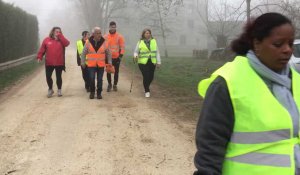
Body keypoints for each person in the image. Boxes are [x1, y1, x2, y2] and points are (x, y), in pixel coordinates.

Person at [193, 12, 300, 175]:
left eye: (290, 44)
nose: (287, 50)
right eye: (278, 44)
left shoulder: (296, 81)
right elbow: (210, 147)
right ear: (257, 44)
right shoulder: (227, 82)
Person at [37, 26, 70, 98]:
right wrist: (39, 57)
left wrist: (61, 36)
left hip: (59, 62)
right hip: (49, 62)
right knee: (48, 77)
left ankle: (59, 90)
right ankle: (50, 89)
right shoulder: (46, 40)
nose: (58, 33)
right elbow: (42, 49)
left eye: (59, 32)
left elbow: (67, 43)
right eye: (56, 31)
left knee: (59, 77)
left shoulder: (62, 40)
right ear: (53, 32)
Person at [81, 27, 112, 99]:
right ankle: (92, 92)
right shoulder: (88, 42)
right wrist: (82, 62)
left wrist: (110, 62)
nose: (99, 35)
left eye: (100, 33)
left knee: (99, 79)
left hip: (101, 64)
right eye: (97, 33)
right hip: (91, 65)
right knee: (91, 78)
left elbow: (109, 53)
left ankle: (99, 93)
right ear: (93, 34)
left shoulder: (104, 42)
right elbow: (83, 53)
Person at [133, 28, 161, 98]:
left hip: (152, 62)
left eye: (149, 33)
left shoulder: (154, 41)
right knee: (146, 76)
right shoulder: (140, 42)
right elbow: (136, 51)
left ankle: (146, 86)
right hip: (142, 62)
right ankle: (147, 91)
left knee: (151, 77)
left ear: (150, 34)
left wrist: (159, 61)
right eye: (146, 33)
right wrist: (135, 56)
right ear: (143, 34)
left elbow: (157, 52)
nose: (148, 34)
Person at [104, 21, 125, 92]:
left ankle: (115, 85)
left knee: (116, 72)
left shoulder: (119, 36)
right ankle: (109, 84)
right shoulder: (105, 36)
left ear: (115, 27)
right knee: (108, 71)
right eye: (111, 27)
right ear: (109, 27)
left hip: (116, 57)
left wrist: (120, 56)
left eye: (114, 27)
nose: (113, 28)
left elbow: (122, 47)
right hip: (108, 57)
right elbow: (103, 47)